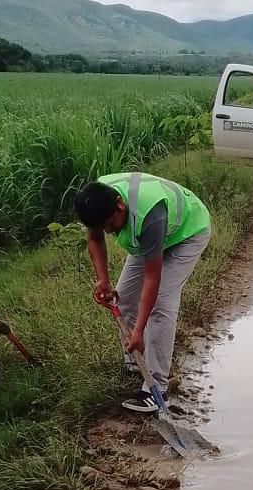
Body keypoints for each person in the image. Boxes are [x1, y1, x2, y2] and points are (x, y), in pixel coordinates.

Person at [74, 171, 211, 413]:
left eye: (111, 225)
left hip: (187, 233)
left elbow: (152, 279)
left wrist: (138, 330)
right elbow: (94, 240)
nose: (109, 232)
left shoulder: (149, 214)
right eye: (103, 228)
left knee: (161, 304)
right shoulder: (97, 200)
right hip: (149, 238)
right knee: (123, 297)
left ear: (120, 204)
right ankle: (136, 362)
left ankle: (157, 386)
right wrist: (103, 280)